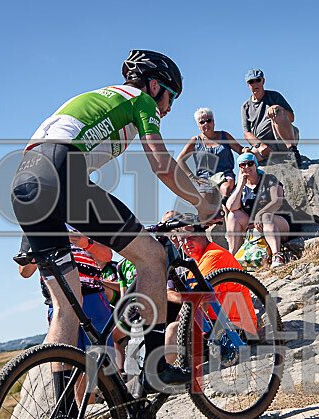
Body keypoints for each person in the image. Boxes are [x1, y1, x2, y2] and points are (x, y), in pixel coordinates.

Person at [11, 50, 216, 387]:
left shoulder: (94, 98)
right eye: (171, 96)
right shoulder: (141, 100)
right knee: (152, 256)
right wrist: (200, 202)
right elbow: (162, 165)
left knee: (65, 307)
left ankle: (64, 414)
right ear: (154, 86)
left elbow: (46, 165)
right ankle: (156, 370)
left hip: (24, 184)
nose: (169, 108)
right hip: (62, 174)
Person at [163, 222, 258, 365]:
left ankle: (164, 376)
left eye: (191, 237)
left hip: (235, 332)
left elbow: (200, 304)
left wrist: (181, 324)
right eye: (183, 239)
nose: (187, 242)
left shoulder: (213, 257)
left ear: (204, 235)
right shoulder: (197, 263)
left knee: (173, 330)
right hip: (218, 326)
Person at [18, 228, 114, 352]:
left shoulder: (87, 222)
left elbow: (107, 256)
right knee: (66, 357)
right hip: (58, 301)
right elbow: (25, 271)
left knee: (103, 356)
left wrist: (85, 242)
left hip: (92, 297)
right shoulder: (34, 229)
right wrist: (38, 242)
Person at [225, 153, 290, 267]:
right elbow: (231, 206)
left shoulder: (269, 179)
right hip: (255, 226)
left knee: (266, 216)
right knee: (232, 215)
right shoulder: (242, 187)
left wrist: (260, 213)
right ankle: (232, 257)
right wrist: (240, 185)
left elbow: (277, 201)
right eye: (242, 165)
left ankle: (277, 256)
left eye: (250, 163)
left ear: (255, 165)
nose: (247, 167)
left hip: (278, 223)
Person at [177, 108, 246, 210]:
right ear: (198, 126)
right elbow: (180, 160)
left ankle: (226, 216)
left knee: (226, 189)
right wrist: (193, 177)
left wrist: (247, 151)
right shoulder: (195, 141)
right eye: (202, 122)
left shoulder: (224, 136)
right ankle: (206, 219)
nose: (206, 124)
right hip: (205, 177)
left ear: (214, 122)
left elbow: (240, 149)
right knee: (204, 201)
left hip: (225, 174)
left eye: (209, 120)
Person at [240, 68, 303, 166]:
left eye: (258, 80)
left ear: (263, 81)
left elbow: (291, 118)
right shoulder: (245, 107)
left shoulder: (274, 96)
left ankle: (293, 152)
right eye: (251, 81)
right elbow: (246, 133)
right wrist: (259, 145)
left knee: (278, 113)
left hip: (282, 140)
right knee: (246, 159)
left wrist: (278, 107)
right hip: (265, 147)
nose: (255, 84)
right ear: (248, 84)